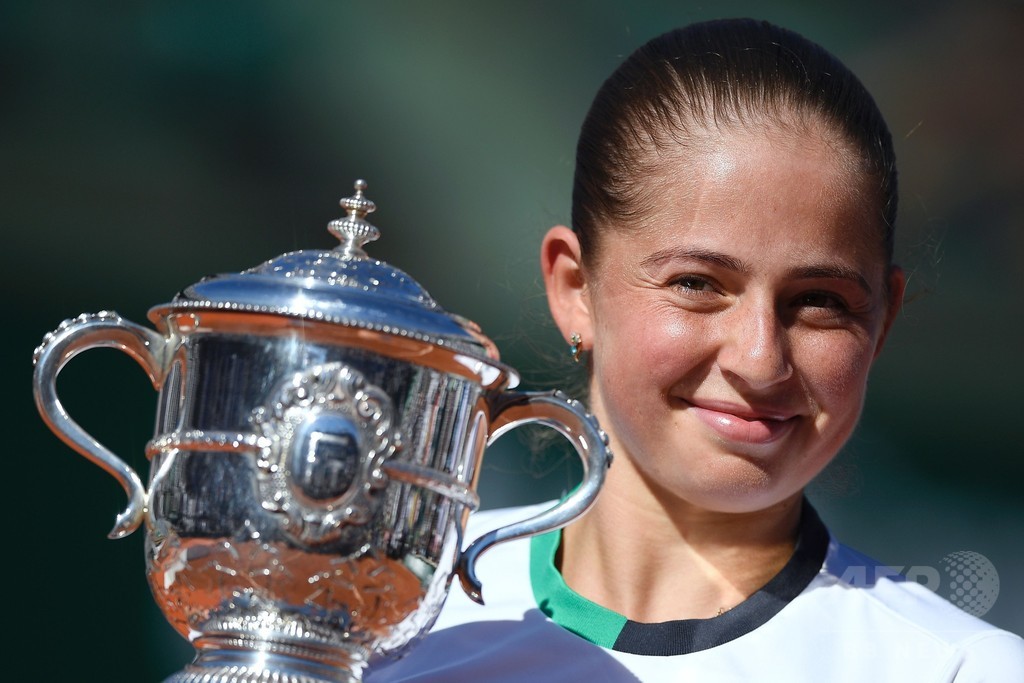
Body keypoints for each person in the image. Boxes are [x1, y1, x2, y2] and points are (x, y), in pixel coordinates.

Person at [368, 18, 1024, 681]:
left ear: (881, 323)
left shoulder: (959, 669)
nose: (760, 357)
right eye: (697, 283)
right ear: (575, 288)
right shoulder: (374, 615)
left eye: (821, 300)